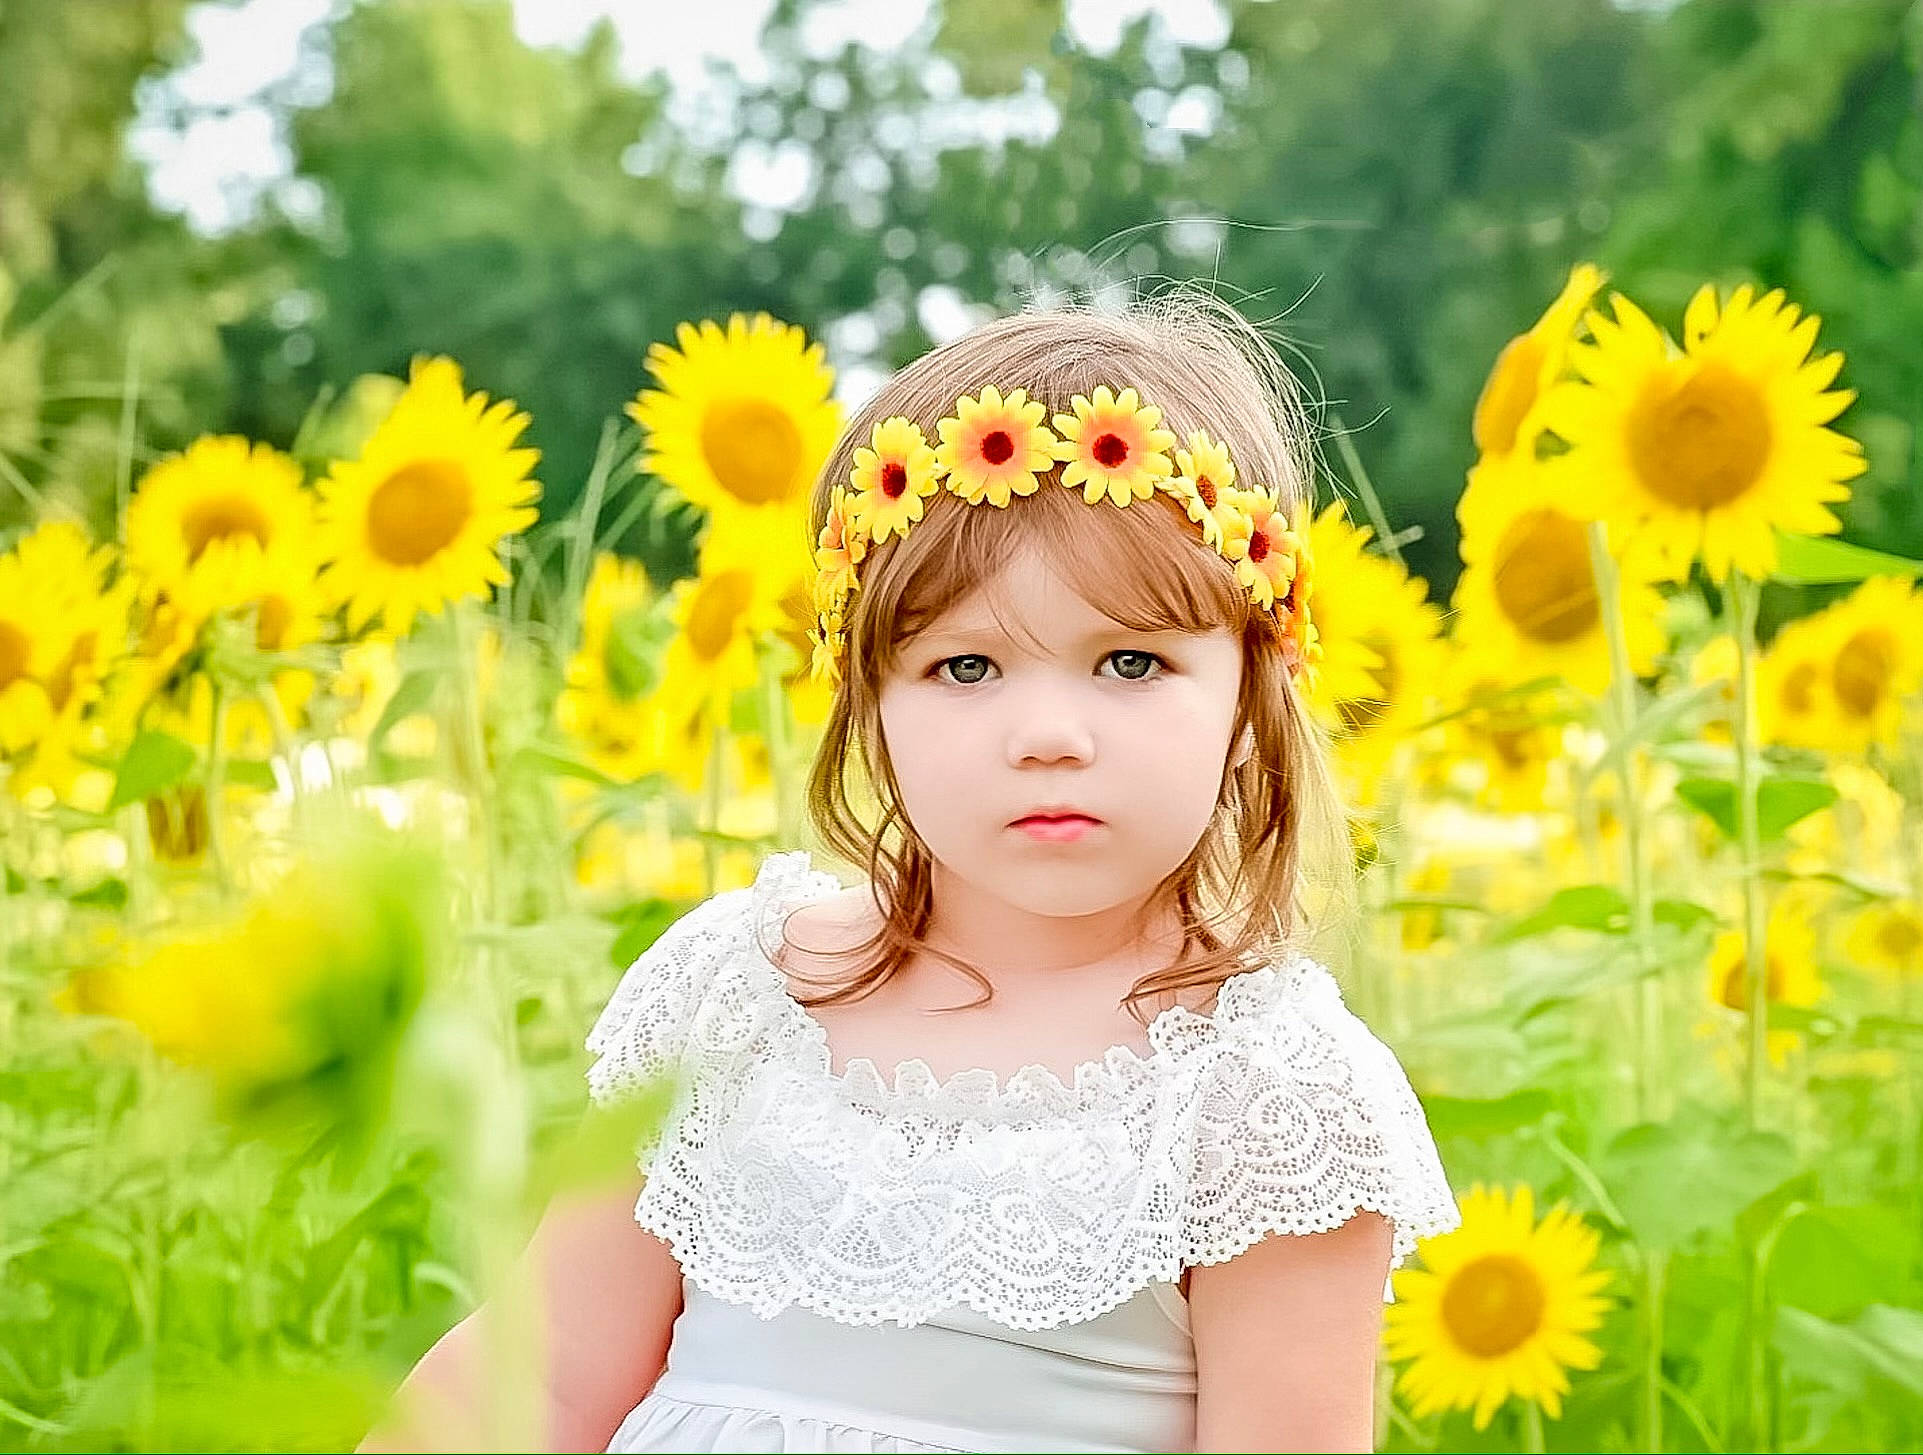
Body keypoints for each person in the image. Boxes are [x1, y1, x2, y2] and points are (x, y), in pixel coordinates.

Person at [360, 293, 1461, 1454]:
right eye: (967, 665)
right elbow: (542, 1376)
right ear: (868, 697)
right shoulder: (738, 994)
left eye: (1130, 660)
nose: (1049, 733)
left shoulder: (1265, 1090)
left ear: (1252, 692)